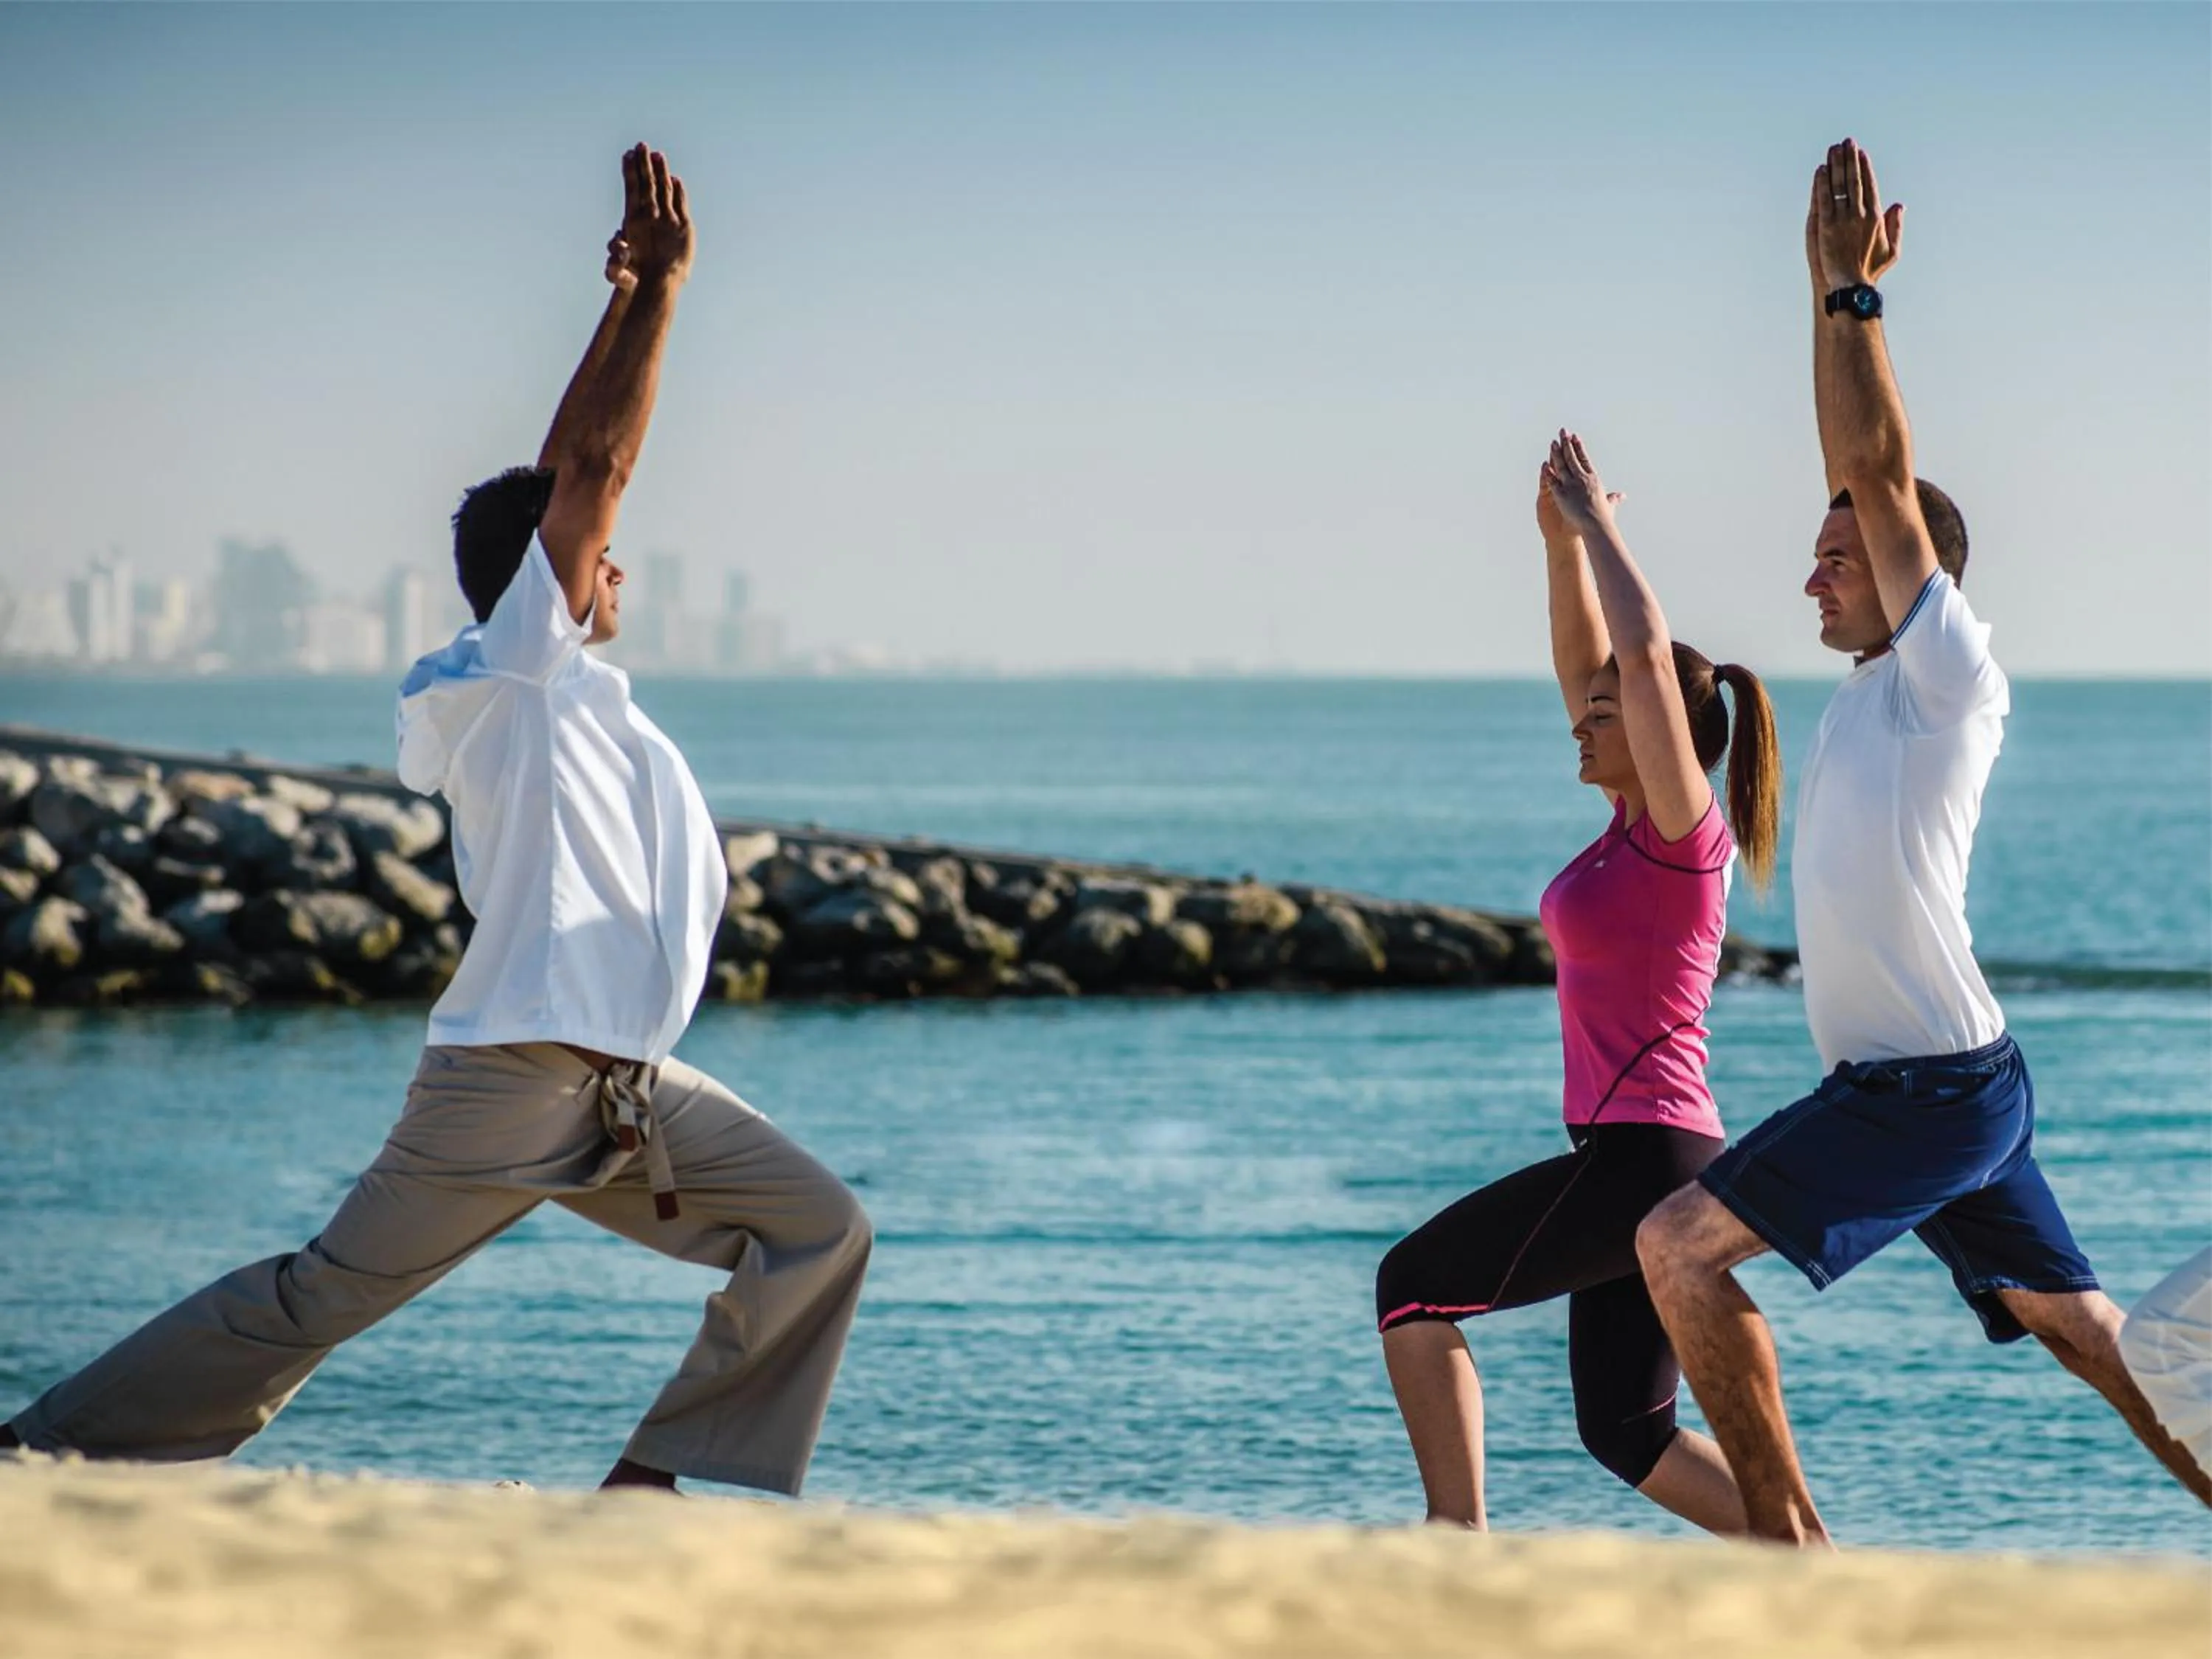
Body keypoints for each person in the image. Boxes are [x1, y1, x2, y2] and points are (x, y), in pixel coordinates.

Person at [1, 145, 872, 1497]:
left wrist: (630, 295)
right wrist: (659, 298)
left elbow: (573, 485)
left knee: (819, 1226)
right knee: (318, 1300)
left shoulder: (559, 687)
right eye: (595, 547)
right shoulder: (516, 672)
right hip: (510, 1086)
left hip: (626, 1095)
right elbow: (591, 462)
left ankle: (651, 1491)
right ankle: (47, 1451)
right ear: (551, 572)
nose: (619, 556)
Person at [1635, 137, 2212, 1545]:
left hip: (1929, 1091)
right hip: (1950, 1082)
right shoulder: (1866, 703)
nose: (1813, 572)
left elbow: (1876, 466)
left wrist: (1849, 298)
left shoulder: (1949, 674)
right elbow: (1853, 463)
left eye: (1838, 558)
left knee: (1678, 1250)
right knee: (2093, 1336)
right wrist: (1816, 294)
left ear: (1912, 575)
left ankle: (1796, 1571)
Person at [1373, 430, 1782, 1531]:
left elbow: (1642, 661)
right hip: (1626, 1154)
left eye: (1607, 715)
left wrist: (1606, 527)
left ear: (1665, 742)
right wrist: (1559, 543)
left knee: (1411, 1289)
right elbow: (1591, 659)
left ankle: (1454, 1551)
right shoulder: (1618, 833)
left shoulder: (1684, 837)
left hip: (1644, 1156)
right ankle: (1817, 1573)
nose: (1583, 720)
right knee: (1625, 1431)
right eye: (1588, 710)